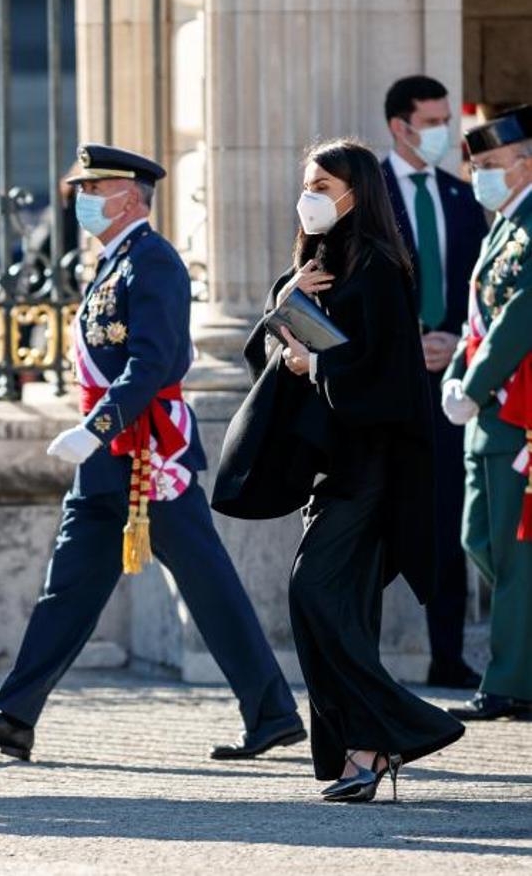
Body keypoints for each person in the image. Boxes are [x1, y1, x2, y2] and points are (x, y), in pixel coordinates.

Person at [0, 143, 305, 765]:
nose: (80, 199)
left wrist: (98, 426)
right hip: (111, 457)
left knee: (208, 585)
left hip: (147, 456)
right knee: (69, 586)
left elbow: (153, 360)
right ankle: (15, 714)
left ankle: (271, 712)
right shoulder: (113, 261)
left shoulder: (153, 261)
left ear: (129, 195)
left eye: (92, 188)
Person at [222, 137, 464, 802]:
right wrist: (284, 295)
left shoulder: (381, 268)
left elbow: (387, 380)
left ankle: (400, 728)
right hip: (333, 465)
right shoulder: (319, 263)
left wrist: (316, 364)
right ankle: (363, 749)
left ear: (356, 191)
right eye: (307, 185)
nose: (310, 199)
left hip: (372, 467)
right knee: (337, 608)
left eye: (323, 187)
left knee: (314, 595)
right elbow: (265, 353)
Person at [381, 75, 489, 690]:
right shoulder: (365, 192)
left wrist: (456, 343)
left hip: (448, 380)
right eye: (432, 121)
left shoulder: (459, 193)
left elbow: (477, 288)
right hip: (389, 382)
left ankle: (446, 654)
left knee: (449, 518)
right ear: (401, 126)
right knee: (378, 519)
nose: (445, 131)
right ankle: (360, 658)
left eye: (447, 119)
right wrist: (404, 346)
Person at [443, 105, 532, 722]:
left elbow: (518, 318)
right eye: (477, 167)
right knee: (480, 540)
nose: (482, 176)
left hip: (517, 416)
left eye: (493, 166)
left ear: (527, 165)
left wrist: (471, 383)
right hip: (487, 415)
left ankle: (509, 683)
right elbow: (478, 320)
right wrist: (456, 378)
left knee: (512, 552)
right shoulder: (503, 224)